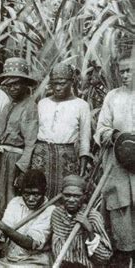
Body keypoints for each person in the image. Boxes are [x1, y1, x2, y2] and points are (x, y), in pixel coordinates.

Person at [94, 55, 134, 265]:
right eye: (122, 71)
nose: (125, 75)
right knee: (120, 209)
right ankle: (122, 254)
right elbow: (101, 128)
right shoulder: (113, 97)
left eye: (130, 70)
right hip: (118, 166)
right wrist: (115, 135)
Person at [30, 63, 92, 198]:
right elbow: (33, 134)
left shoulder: (81, 105)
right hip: (41, 155)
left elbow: (85, 137)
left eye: (62, 83)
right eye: (54, 83)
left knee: (65, 194)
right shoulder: (42, 103)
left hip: (67, 157)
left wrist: (83, 161)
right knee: (39, 192)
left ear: (72, 82)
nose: (57, 88)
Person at [0, 57, 38, 206]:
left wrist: (22, 168)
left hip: (14, 160)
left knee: (10, 196)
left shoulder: (29, 106)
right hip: (1, 157)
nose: (13, 88)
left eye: (16, 84)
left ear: (25, 85)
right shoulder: (9, 105)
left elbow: (30, 142)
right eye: (9, 85)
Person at [0, 170, 55, 267]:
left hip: (35, 261)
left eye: (36, 194)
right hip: (10, 259)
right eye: (26, 194)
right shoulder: (15, 202)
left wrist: (3, 227)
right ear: (21, 191)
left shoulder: (50, 210)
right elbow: (5, 227)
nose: (30, 199)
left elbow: (30, 244)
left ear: (44, 190)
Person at [50, 175, 112, 267]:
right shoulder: (57, 214)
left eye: (76, 196)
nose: (71, 200)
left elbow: (104, 257)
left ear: (84, 196)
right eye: (67, 195)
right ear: (61, 194)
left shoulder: (93, 217)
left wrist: (90, 231)